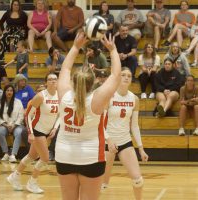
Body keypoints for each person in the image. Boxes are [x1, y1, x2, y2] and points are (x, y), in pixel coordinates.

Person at [55, 33, 121, 200]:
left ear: (73, 81)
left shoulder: (64, 94)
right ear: (93, 83)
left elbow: (65, 68)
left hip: (64, 155)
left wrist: (76, 47)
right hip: (91, 157)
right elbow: (115, 76)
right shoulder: (97, 99)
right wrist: (112, 50)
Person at [7, 73, 59, 193]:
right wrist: (30, 133)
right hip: (37, 130)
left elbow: (60, 115)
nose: (53, 81)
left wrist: (55, 128)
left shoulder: (59, 96)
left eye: (55, 79)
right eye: (50, 79)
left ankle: (14, 176)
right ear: (46, 82)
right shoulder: (40, 96)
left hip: (48, 131)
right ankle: (32, 182)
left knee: (32, 156)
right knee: (45, 158)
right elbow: (27, 115)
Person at [102, 67, 149, 199]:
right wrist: (109, 140)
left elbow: (134, 126)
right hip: (107, 142)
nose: (126, 77)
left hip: (125, 142)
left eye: (129, 75)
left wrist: (141, 149)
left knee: (138, 180)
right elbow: (100, 123)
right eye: (123, 75)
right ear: (118, 77)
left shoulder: (134, 99)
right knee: (102, 184)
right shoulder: (109, 96)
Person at [0, 84, 25, 163]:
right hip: (5, 125)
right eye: (7, 90)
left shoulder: (18, 102)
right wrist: (5, 125)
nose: (9, 92)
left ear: (13, 92)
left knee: (19, 132)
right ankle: (6, 153)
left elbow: (21, 116)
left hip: (16, 125)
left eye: (11, 90)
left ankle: (13, 155)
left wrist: (14, 125)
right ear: (4, 92)